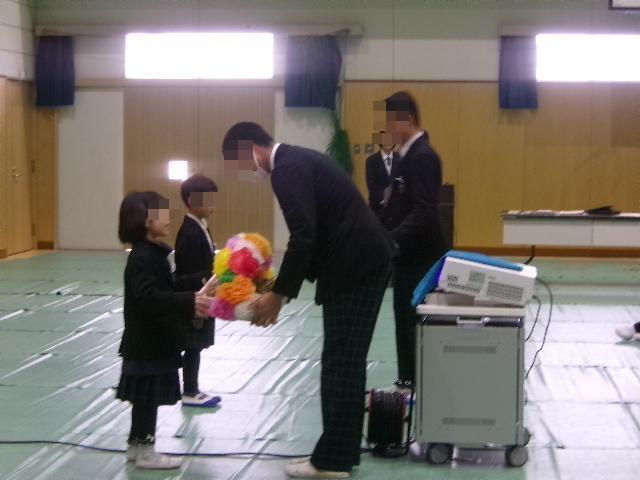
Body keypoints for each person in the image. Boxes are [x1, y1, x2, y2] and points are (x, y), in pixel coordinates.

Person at [222, 122, 393, 479]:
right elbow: (314, 233)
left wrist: (277, 296)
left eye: (240, 163)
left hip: (356, 265)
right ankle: (341, 453)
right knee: (344, 361)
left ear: (250, 147)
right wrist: (275, 286)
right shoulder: (298, 160)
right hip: (360, 262)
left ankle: (332, 462)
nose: (245, 172)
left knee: (341, 363)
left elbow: (304, 236)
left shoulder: (286, 169)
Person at [116, 191, 211, 470]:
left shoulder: (153, 255)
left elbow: (167, 287)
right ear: (144, 221)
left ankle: (136, 445)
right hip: (147, 342)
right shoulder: (141, 258)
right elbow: (150, 298)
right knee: (146, 399)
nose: (168, 219)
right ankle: (146, 451)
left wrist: (199, 282)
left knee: (144, 400)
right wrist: (189, 301)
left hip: (153, 340)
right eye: (160, 214)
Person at [379, 91, 447, 387]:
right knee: (404, 322)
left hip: (421, 257)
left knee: (414, 323)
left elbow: (424, 211)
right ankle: (407, 381)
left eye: (390, 122)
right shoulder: (404, 156)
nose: (387, 129)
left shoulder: (423, 157)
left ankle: (417, 384)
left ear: (408, 119)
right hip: (406, 256)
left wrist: (391, 239)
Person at [175, 174, 221, 407]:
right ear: (192, 201)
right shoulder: (190, 232)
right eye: (207, 199)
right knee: (192, 346)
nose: (212, 205)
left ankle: (193, 389)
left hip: (202, 295)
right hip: (195, 297)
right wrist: (211, 277)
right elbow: (187, 273)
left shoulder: (200, 226)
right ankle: (190, 391)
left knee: (197, 346)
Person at [365, 132, 397, 215]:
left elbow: (402, 181)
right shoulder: (371, 160)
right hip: (377, 208)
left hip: (397, 209)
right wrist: (384, 200)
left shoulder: (400, 158)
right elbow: (371, 184)